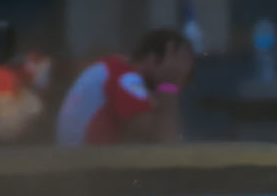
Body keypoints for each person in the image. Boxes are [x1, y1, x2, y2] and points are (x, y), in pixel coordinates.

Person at [55, 29, 194, 145]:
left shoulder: (117, 71)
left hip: (86, 163)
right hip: (85, 167)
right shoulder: (125, 77)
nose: (179, 74)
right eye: (177, 64)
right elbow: (164, 141)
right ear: (153, 59)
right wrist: (168, 85)